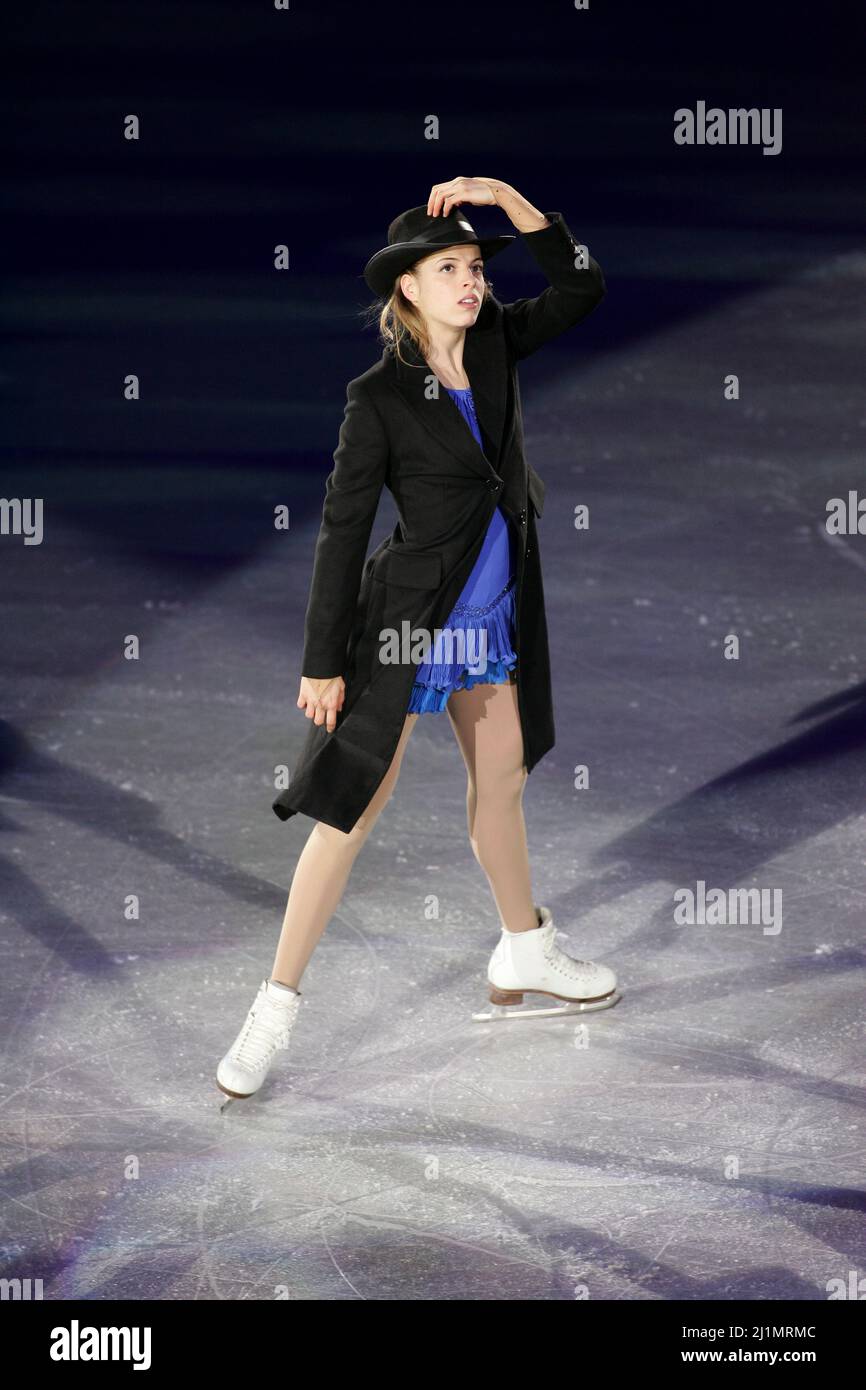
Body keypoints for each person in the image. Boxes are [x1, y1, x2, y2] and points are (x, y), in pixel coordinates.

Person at [217, 177, 620, 1106]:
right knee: (351, 809)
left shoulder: (501, 346)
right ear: (408, 286)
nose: (472, 283)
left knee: (502, 790)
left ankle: (524, 946)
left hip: (489, 619)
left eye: (477, 267)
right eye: (450, 269)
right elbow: (341, 531)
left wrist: (510, 200)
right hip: (406, 630)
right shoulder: (378, 400)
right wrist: (323, 659)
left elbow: (583, 285)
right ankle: (274, 1006)